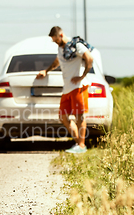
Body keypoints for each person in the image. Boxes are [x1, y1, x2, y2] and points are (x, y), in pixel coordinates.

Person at [36, 26, 94, 154]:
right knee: (63, 116)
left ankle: (81, 145)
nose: (55, 42)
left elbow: (89, 58)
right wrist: (46, 71)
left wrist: (82, 76)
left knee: (79, 116)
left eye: (56, 39)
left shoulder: (76, 46)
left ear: (61, 35)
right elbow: (57, 62)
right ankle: (79, 143)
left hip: (78, 87)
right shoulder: (61, 49)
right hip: (67, 88)